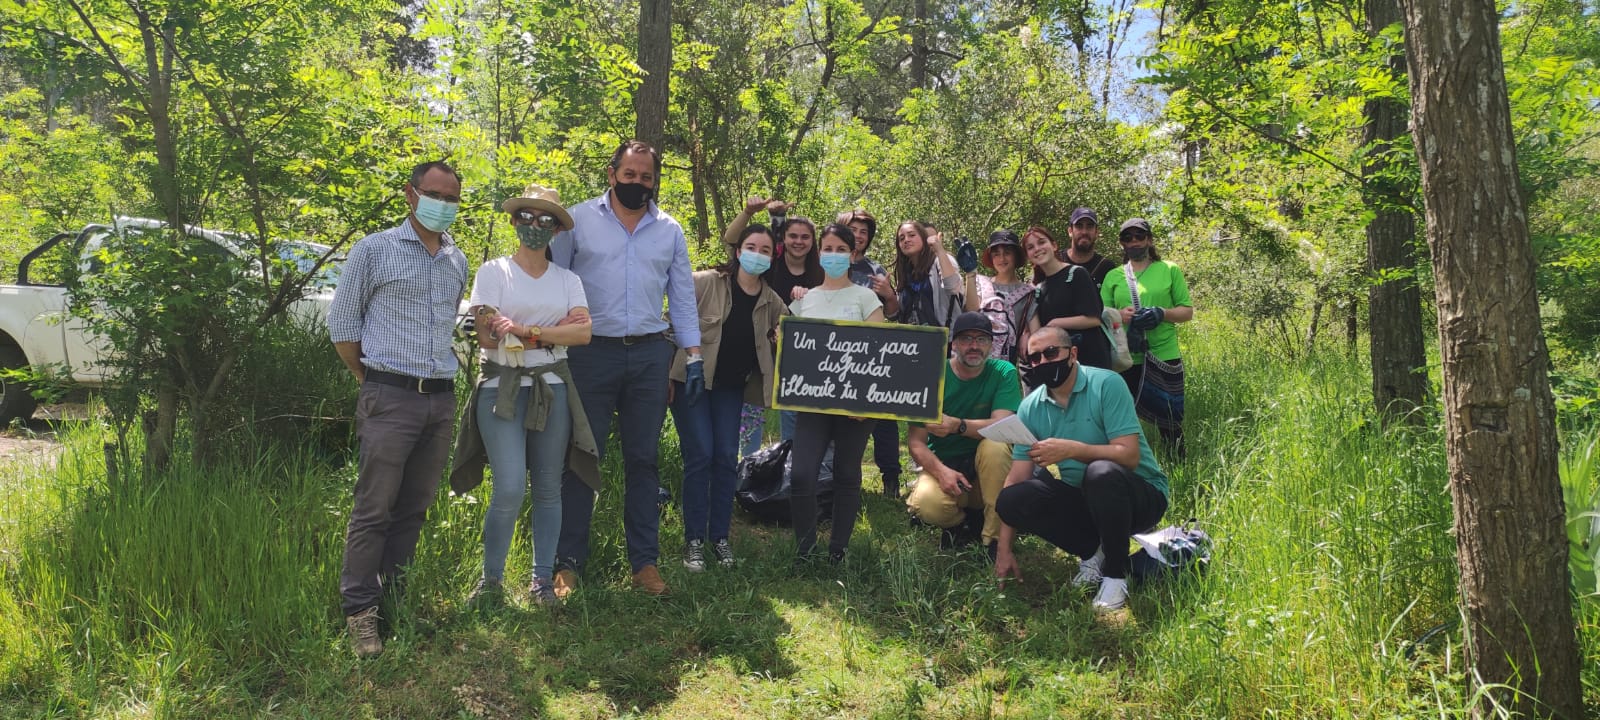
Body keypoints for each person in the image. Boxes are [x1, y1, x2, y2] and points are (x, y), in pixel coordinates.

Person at [327, 160, 469, 657]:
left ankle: (395, 598)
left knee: (414, 507)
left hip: (441, 399)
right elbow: (343, 327)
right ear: (411, 194)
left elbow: (449, 323)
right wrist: (372, 382)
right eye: (435, 194)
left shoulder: (456, 258)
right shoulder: (374, 250)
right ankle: (360, 614)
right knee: (374, 508)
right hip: (389, 395)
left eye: (453, 198)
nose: (443, 205)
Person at [547, 140, 701, 597]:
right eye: (630, 175)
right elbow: (554, 280)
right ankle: (567, 562)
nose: (638, 184)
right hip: (589, 354)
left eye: (647, 177)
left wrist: (692, 355)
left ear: (655, 180)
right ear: (612, 174)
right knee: (580, 457)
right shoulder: (576, 222)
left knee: (643, 459)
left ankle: (645, 565)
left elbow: (683, 296)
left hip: (651, 356)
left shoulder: (670, 230)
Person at [447, 184, 595, 609]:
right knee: (510, 486)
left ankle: (541, 581)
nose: (534, 226)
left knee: (549, 486)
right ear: (514, 221)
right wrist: (552, 333)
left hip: (552, 390)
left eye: (545, 220)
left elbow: (583, 333)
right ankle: (490, 582)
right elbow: (489, 338)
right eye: (526, 217)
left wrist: (528, 332)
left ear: (556, 229)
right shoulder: (493, 272)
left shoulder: (568, 279)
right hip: (501, 390)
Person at [993, 327, 1170, 612]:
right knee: (1012, 499)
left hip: (1140, 495)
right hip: (1088, 500)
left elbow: (1129, 456)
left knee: (1100, 472)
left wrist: (1072, 450)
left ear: (1072, 354)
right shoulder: (1030, 407)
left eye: (1051, 353)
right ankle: (1093, 552)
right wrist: (1003, 550)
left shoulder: (1106, 384)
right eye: (1034, 358)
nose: (1043, 363)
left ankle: (1115, 573)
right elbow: (1017, 477)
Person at [668, 224, 786, 572]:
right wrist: (665, 374)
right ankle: (693, 541)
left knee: (724, 458)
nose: (758, 254)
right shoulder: (703, 282)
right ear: (738, 251)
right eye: (752, 246)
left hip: (731, 390)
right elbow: (669, 322)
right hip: (692, 384)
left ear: (772, 257)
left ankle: (719, 537)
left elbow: (800, 337)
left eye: (766, 250)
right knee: (700, 454)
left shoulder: (772, 302)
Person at [786, 223, 886, 563]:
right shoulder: (805, 300)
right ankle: (805, 549)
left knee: (847, 474)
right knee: (801, 475)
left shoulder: (867, 298)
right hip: (812, 404)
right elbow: (791, 350)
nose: (833, 255)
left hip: (856, 405)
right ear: (819, 253)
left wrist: (865, 402)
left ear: (852, 254)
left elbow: (880, 352)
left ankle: (838, 550)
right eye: (827, 249)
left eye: (840, 249)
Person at [904, 312, 1023, 557]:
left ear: (991, 345)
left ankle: (993, 540)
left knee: (996, 445)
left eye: (981, 340)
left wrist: (957, 425)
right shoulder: (931, 374)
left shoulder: (1004, 372)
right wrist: (941, 472)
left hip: (988, 470)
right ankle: (959, 524)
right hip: (946, 466)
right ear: (954, 344)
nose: (974, 346)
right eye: (966, 339)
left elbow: (1001, 426)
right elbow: (916, 443)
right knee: (928, 506)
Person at [726, 198, 820, 454]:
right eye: (792, 236)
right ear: (784, 240)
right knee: (751, 415)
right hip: (758, 350)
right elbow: (734, 240)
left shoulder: (820, 273)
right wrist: (758, 213)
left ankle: (788, 472)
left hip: (799, 357)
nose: (798, 242)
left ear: (813, 242)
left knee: (793, 416)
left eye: (805, 237)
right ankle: (749, 469)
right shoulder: (771, 263)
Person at [1100, 217, 1194, 457]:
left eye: (1139, 236)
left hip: (1163, 354)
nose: (1134, 242)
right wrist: (1121, 316)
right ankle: (1131, 462)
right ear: (1121, 244)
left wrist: (1162, 313)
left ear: (1149, 240)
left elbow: (1187, 311)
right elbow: (1102, 316)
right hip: (1127, 358)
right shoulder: (1114, 276)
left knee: (1169, 418)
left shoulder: (1169, 270)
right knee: (1124, 418)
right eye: (1127, 238)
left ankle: (1177, 463)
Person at [839, 209, 904, 497]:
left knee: (883, 416)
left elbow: (892, 314)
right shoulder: (826, 263)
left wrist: (889, 294)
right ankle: (833, 475)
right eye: (854, 229)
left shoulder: (876, 270)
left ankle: (891, 478)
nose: (859, 235)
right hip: (834, 354)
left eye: (865, 231)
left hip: (871, 355)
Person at [1024, 225, 1112, 370]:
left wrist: (1055, 323)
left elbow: (1094, 319)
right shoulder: (1038, 288)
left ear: (1054, 245)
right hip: (1060, 365)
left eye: (1041, 242)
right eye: (1030, 247)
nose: (1037, 249)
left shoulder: (1077, 274)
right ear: (1028, 256)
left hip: (1090, 361)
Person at [964, 229, 1037, 365]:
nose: (1002, 259)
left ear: (1016, 256)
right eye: (996, 254)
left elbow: (1036, 331)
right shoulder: (980, 283)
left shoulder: (1028, 293)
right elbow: (971, 311)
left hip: (1006, 364)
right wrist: (969, 274)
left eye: (1007, 253)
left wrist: (1028, 334)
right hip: (974, 356)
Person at [892, 220, 964, 329]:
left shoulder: (940, 260)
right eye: (901, 238)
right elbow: (897, 313)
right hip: (913, 341)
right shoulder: (904, 272)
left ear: (923, 237)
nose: (906, 240)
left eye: (911, 235)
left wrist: (939, 250)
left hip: (945, 338)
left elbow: (953, 287)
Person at [1056, 207, 1116, 286]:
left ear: (1096, 232)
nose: (1084, 232)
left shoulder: (1107, 268)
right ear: (1070, 231)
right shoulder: (1056, 260)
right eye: (1079, 226)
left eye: (1089, 226)